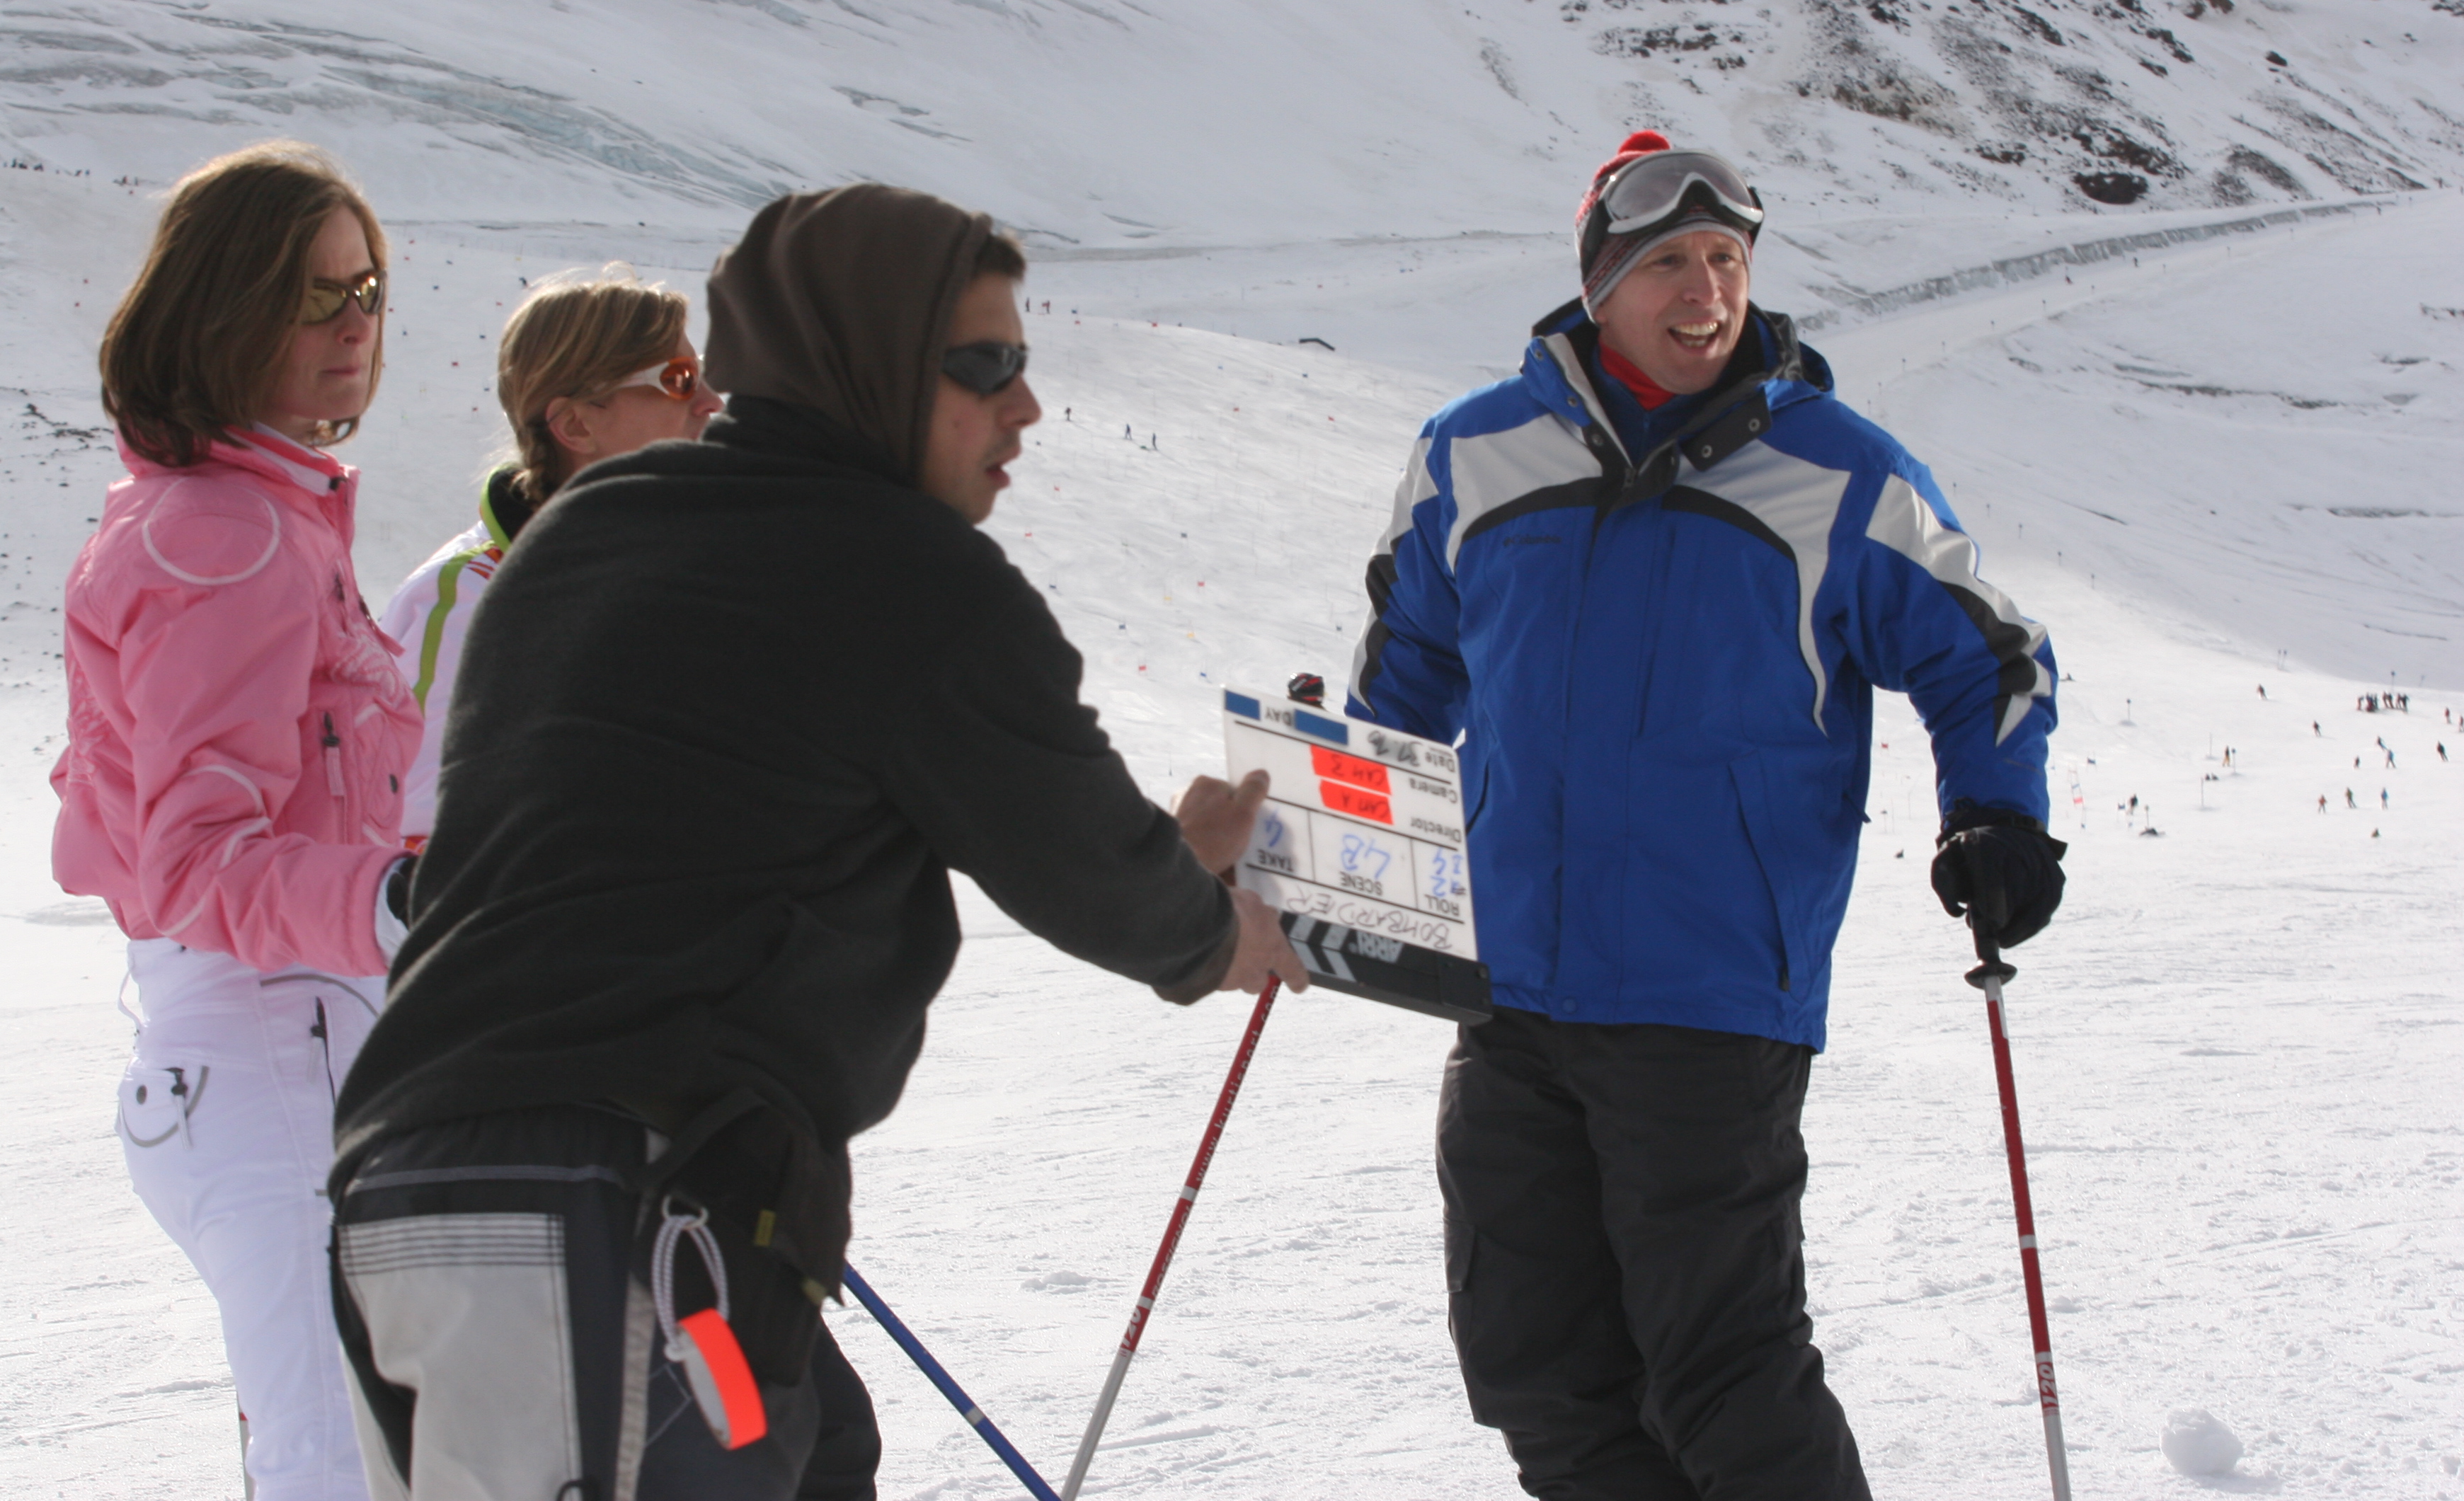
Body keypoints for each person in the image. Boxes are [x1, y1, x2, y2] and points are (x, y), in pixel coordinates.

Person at [328, 184, 1307, 1500]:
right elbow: (1088, 872)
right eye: (985, 366)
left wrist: (1168, 864)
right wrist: (1221, 933)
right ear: (866, 364)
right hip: (600, 1213)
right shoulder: (902, 571)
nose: (1023, 408)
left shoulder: (586, 532)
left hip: (424, 1187)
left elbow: (748, 806)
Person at [1346, 132, 2065, 1500]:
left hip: (1710, 992)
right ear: (1599, 283)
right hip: (1507, 994)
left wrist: (1998, 815)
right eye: (1668, 260)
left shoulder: (1839, 472)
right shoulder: (1471, 453)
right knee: (1530, 1364)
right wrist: (1325, 835)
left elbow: (1988, 656)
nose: (1704, 290)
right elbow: (1408, 671)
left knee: (1721, 1377)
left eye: (1726, 260)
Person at [52, 141, 421, 1500]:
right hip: (278, 1053)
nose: (354, 325)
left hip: (297, 1045)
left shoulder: (247, 517)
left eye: (366, 288)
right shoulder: (227, 537)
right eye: (309, 295)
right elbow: (199, 862)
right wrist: (400, 904)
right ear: (219, 311)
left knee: (380, 1457)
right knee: (345, 1468)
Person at [379, 265, 723, 843]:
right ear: (576, 424)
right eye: (679, 379)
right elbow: (414, 843)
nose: (712, 402)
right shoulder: (469, 602)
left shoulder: (692, 584)